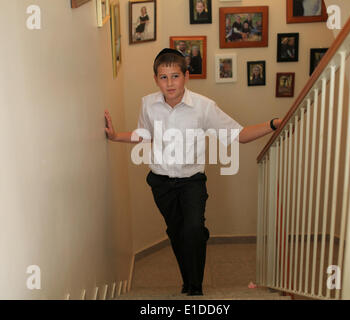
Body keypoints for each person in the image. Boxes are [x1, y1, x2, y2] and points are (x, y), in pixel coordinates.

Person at [103, 48, 282, 296]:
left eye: (175, 76)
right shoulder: (148, 104)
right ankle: (188, 282)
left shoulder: (204, 107)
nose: (169, 83)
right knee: (176, 233)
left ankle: (195, 289)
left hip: (192, 182)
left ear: (186, 76)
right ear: (156, 79)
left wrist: (273, 125)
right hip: (161, 183)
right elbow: (143, 134)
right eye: (163, 77)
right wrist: (115, 136)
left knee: (194, 230)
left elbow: (238, 135)